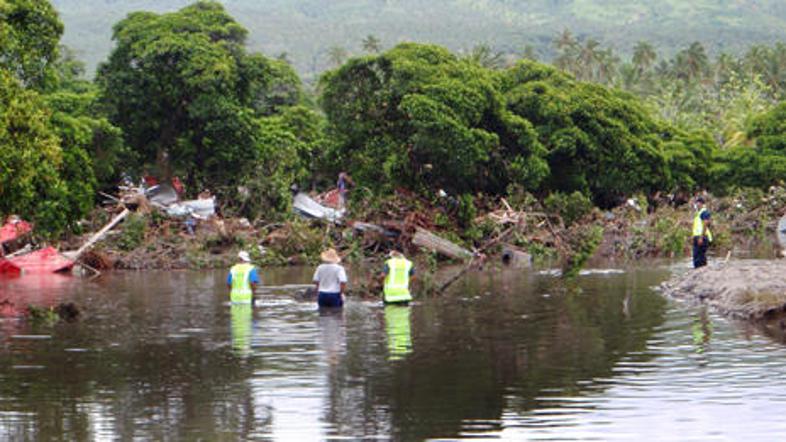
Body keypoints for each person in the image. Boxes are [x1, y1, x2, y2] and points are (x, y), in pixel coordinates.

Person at [692, 196, 712, 268]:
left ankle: (701, 271)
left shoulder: (704, 212)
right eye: (696, 203)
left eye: (697, 203)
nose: (696, 205)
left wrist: (701, 237)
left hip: (701, 237)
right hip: (697, 236)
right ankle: (701, 270)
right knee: (697, 256)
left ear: (701, 203)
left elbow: (705, 224)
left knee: (699, 256)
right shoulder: (699, 213)